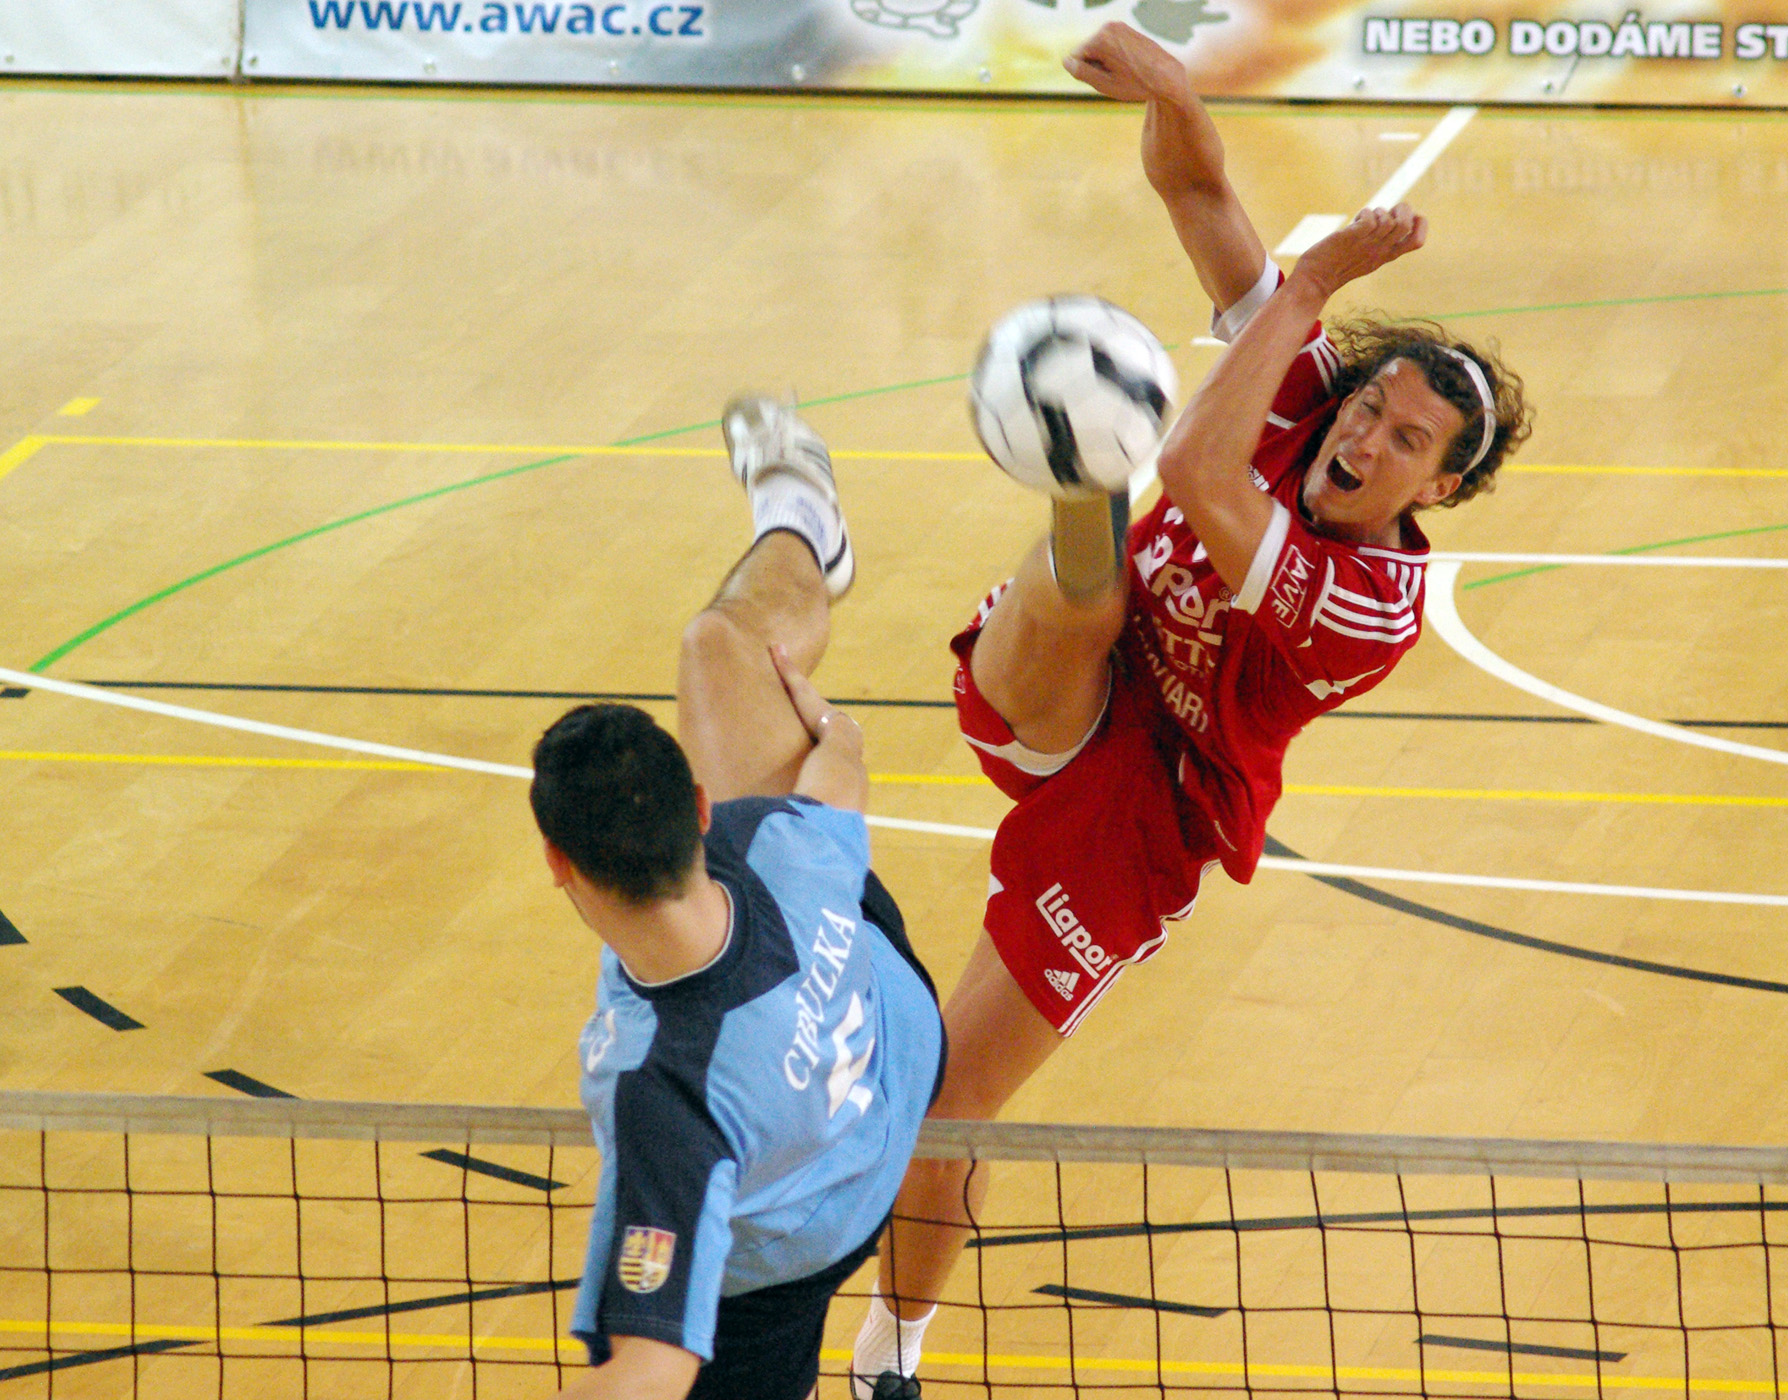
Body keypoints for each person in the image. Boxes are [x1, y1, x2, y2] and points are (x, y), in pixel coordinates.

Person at [847, 22, 1531, 1397]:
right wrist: (1171, 88)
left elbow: (1201, 470)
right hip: (1068, 678)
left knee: (945, 1106)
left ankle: (889, 1354)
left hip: (1151, 807)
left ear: (1438, 490)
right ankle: (1076, 492)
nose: (1361, 434)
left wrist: (1312, 282)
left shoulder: (1371, 603)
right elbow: (1200, 195)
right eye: (1368, 405)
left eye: (1404, 439)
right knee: (1085, 597)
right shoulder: (1303, 399)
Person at [533, 397, 945, 1400]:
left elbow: (653, 1367)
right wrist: (833, 730)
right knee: (721, 644)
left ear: (558, 864)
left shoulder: (661, 1094)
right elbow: (837, 769)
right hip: (896, 1038)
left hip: (793, 1254)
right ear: (700, 806)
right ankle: (801, 517)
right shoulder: (777, 841)